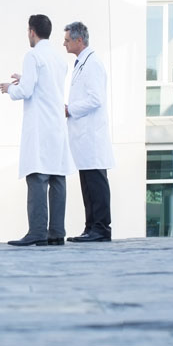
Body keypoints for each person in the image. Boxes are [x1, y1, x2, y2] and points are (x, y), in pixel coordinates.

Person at [0, 14, 74, 247]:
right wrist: (24, 80)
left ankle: (37, 231)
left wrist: (8, 89)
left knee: (38, 178)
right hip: (56, 125)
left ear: (32, 31)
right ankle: (56, 232)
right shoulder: (58, 59)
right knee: (57, 179)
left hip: (40, 126)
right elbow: (46, 85)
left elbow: (26, 91)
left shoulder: (32, 56)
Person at [63, 21, 114, 242]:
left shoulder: (92, 64)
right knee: (87, 184)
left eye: (66, 40)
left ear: (79, 40)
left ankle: (101, 228)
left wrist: (69, 109)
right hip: (83, 137)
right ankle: (90, 226)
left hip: (92, 135)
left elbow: (95, 99)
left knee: (96, 183)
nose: (63, 44)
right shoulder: (81, 63)